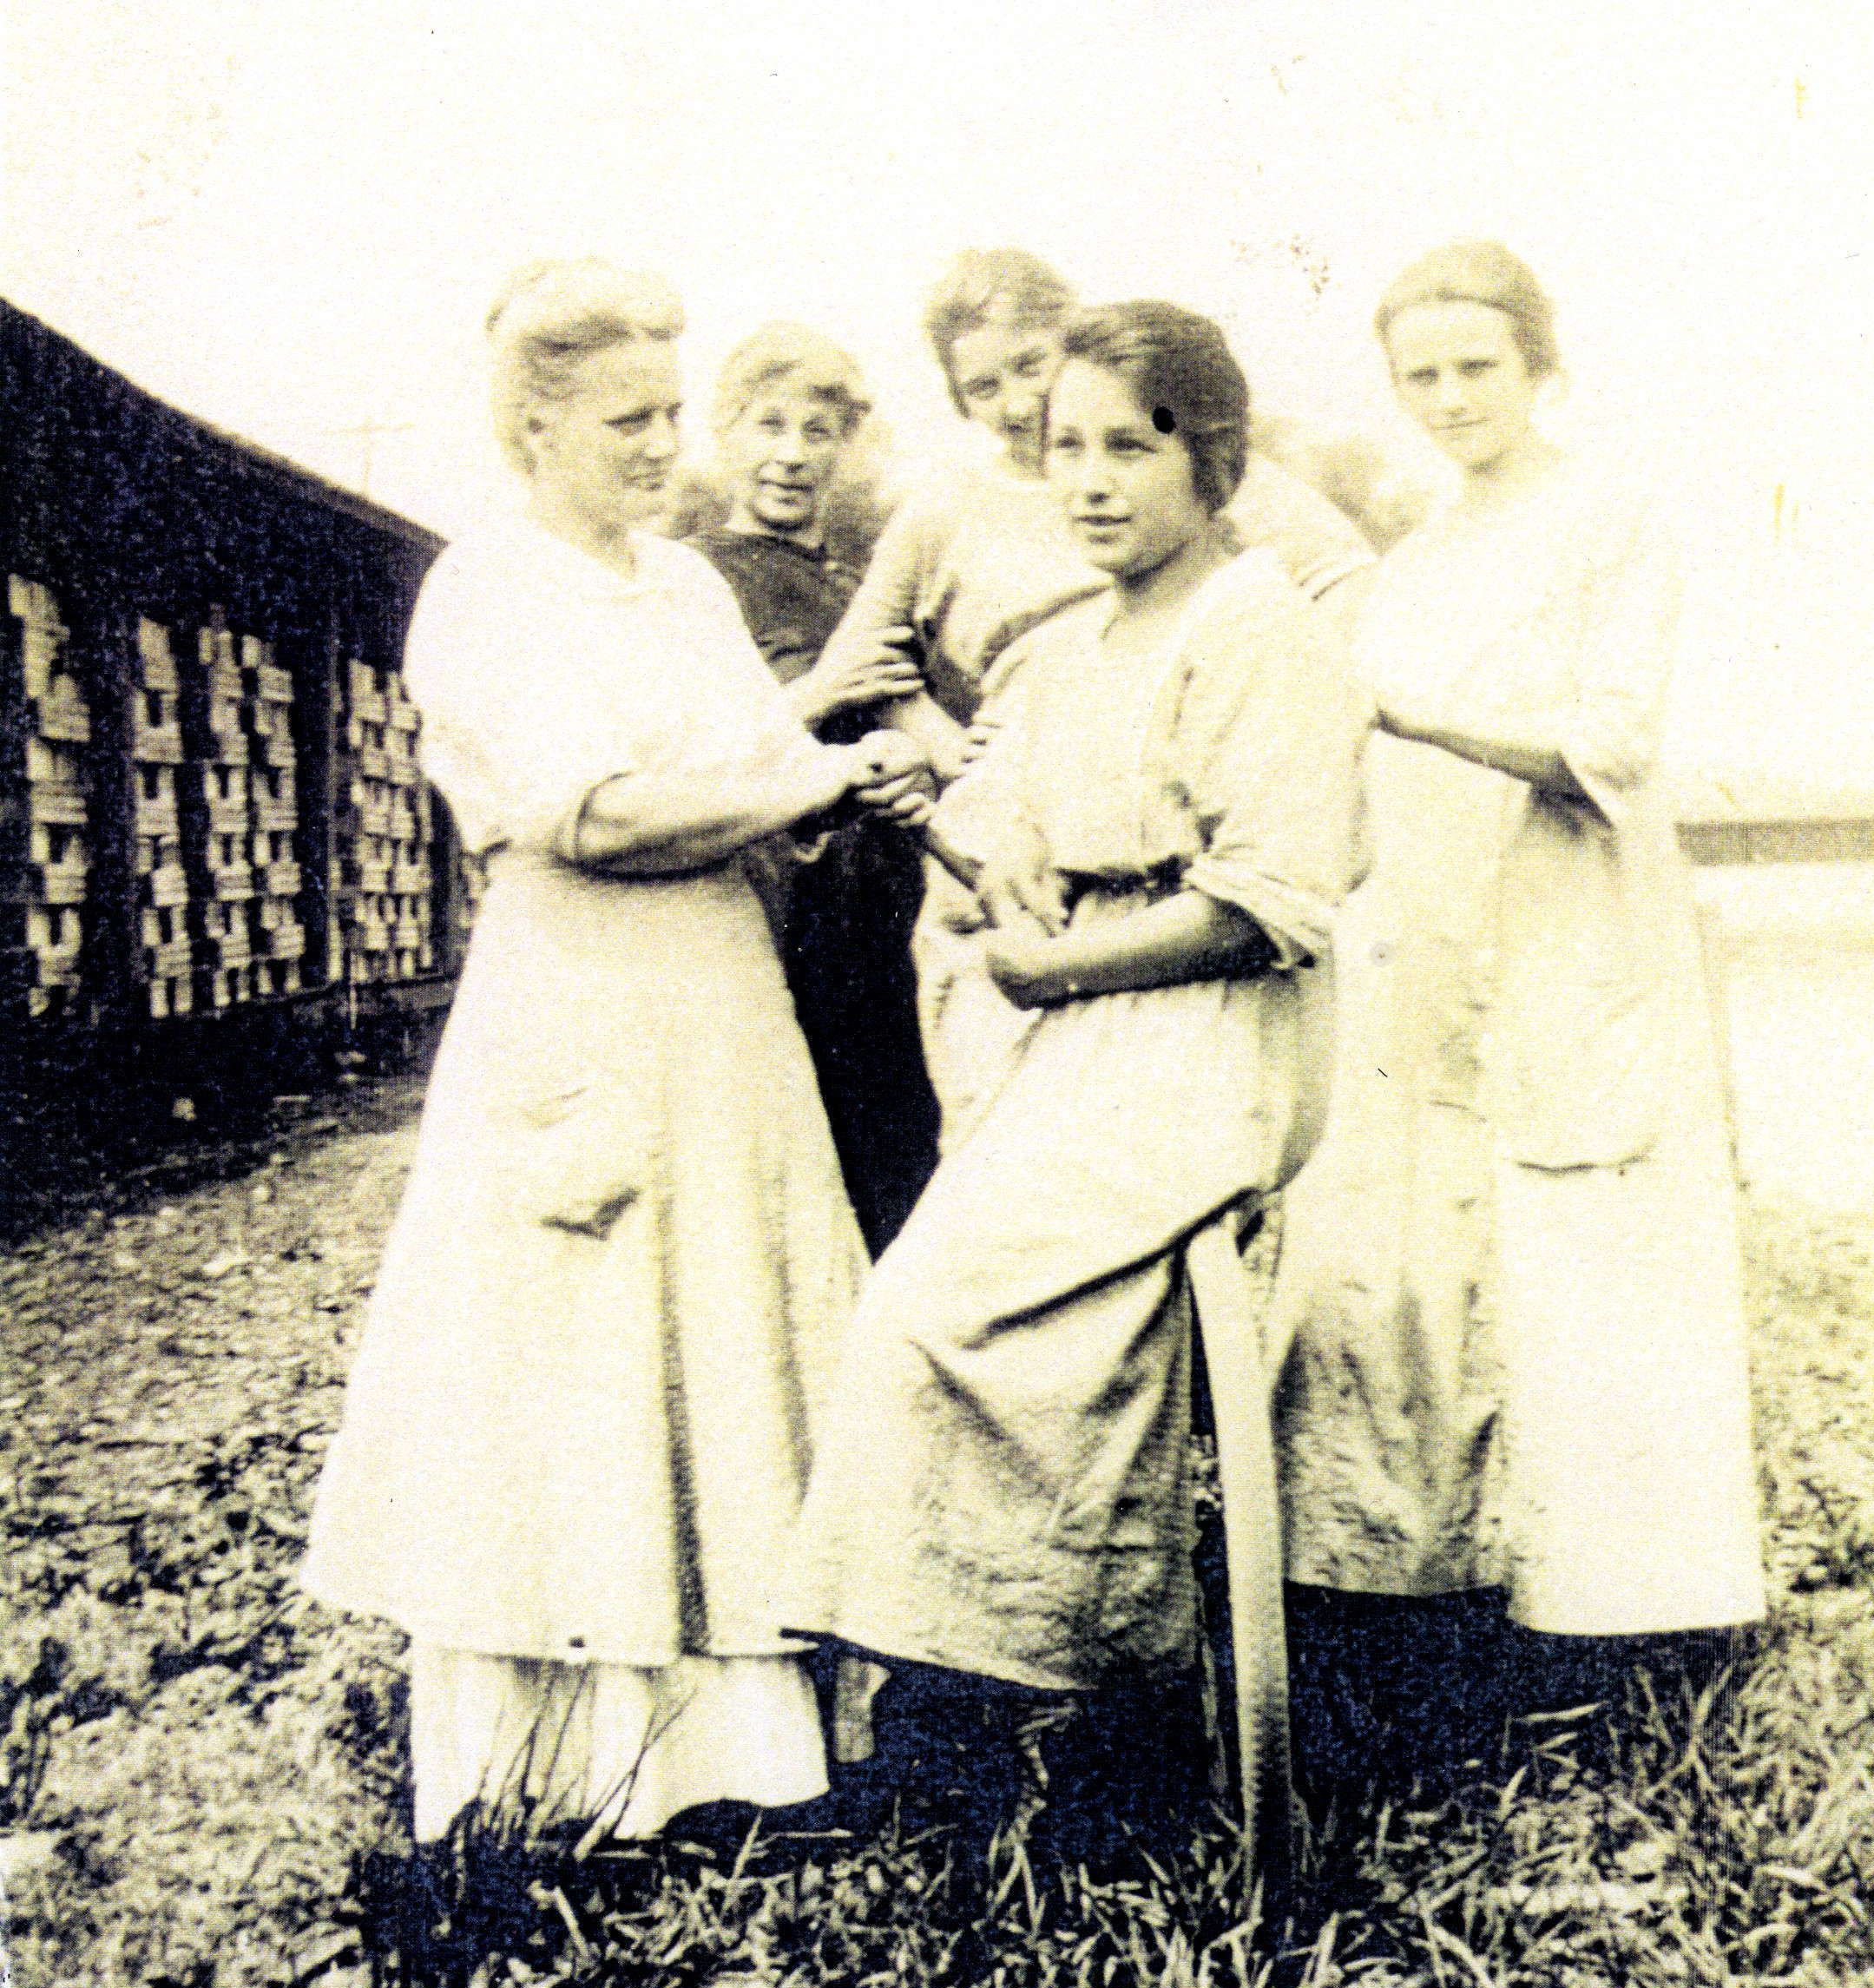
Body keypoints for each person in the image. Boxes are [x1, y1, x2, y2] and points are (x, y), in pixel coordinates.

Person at [299, 260, 933, 1843]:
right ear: (533, 423)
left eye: (670, 412)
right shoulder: (490, 588)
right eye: (627, 417)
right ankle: (565, 1775)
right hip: (580, 1001)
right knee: (572, 1370)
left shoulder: (686, 587)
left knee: (726, 1345)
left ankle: (742, 1760)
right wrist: (816, 777)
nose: (663, 446)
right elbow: (596, 817)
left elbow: (768, 761)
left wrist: (873, 775)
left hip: (722, 1004)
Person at [784, 304, 1368, 1775]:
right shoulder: (1075, 639)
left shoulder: (1257, 623)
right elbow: (995, 817)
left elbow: (1266, 898)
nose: (1092, 481)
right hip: (1088, 1024)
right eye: (1065, 452)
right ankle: (1004, 1657)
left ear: (1214, 461)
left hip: (1214, 1030)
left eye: (1131, 447)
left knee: (949, 1308)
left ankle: (1046, 1667)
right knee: (922, 1294)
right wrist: (1006, 873)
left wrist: (1060, 968)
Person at [1274, 241, 1763, 1748]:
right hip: (1426, 935)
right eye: (1417, 375)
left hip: (1568, 922)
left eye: (1473, 367)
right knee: (1426, 1250)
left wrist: (1415, 714)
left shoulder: (1609, 519)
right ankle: (1459, 1587)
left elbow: (1607, 740)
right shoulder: (1413, 557)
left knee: (1587, 1246)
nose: (1446, 399)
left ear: (1537, 364)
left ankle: (1643, 1615)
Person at [805, 247, 1378, 1152]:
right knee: (999, 1107)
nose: (1017, 401)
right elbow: (861, 662)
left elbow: (1344, 574)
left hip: (1157, 807)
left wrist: (1272, 709)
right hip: (999, 819)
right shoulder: (945, 505)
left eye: (1031, 366)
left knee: (1152, 1110)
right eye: (982, 385)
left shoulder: (1170, 467)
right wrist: (945, 742)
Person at [690, 324, 940, 1248]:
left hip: (885, 907)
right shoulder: (694, 579)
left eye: (817, 432)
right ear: (724, 432)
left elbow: (919, 722)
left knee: (901, 1164)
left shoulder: (860, 583)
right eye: (769, 426)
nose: (791, 456)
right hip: (776, 908)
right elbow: (688, 758)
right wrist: (820, 694)